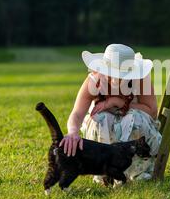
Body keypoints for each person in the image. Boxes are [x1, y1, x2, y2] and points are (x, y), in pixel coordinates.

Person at [59, 44, 162, 183]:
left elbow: (152, 111)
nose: (116, 78)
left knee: (134, 117)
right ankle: (104, 171)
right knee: (101, 117)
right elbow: (77, 113)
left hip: (135, 130)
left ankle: (137, 172)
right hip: (106, 133)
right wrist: (72, 132)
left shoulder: (140, 78)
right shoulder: (94, 81)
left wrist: (119, 102)